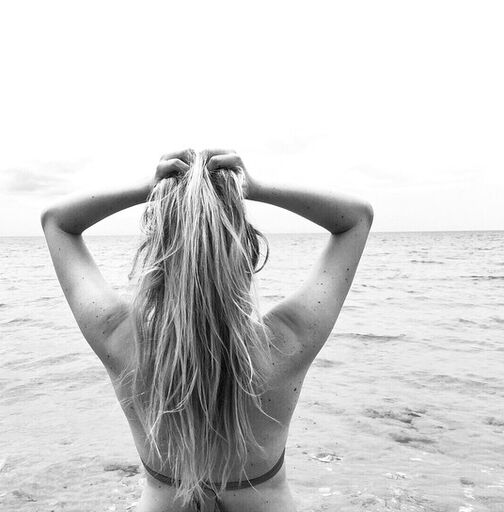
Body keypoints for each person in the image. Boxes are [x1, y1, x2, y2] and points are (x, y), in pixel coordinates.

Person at [41, 148, 374, 512]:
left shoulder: (121, 338)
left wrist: (150, 188)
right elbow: (356, 219)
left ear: (156, 253)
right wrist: (255, 188)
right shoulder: (286, 341)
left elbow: (57, 222)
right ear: (247, 250)